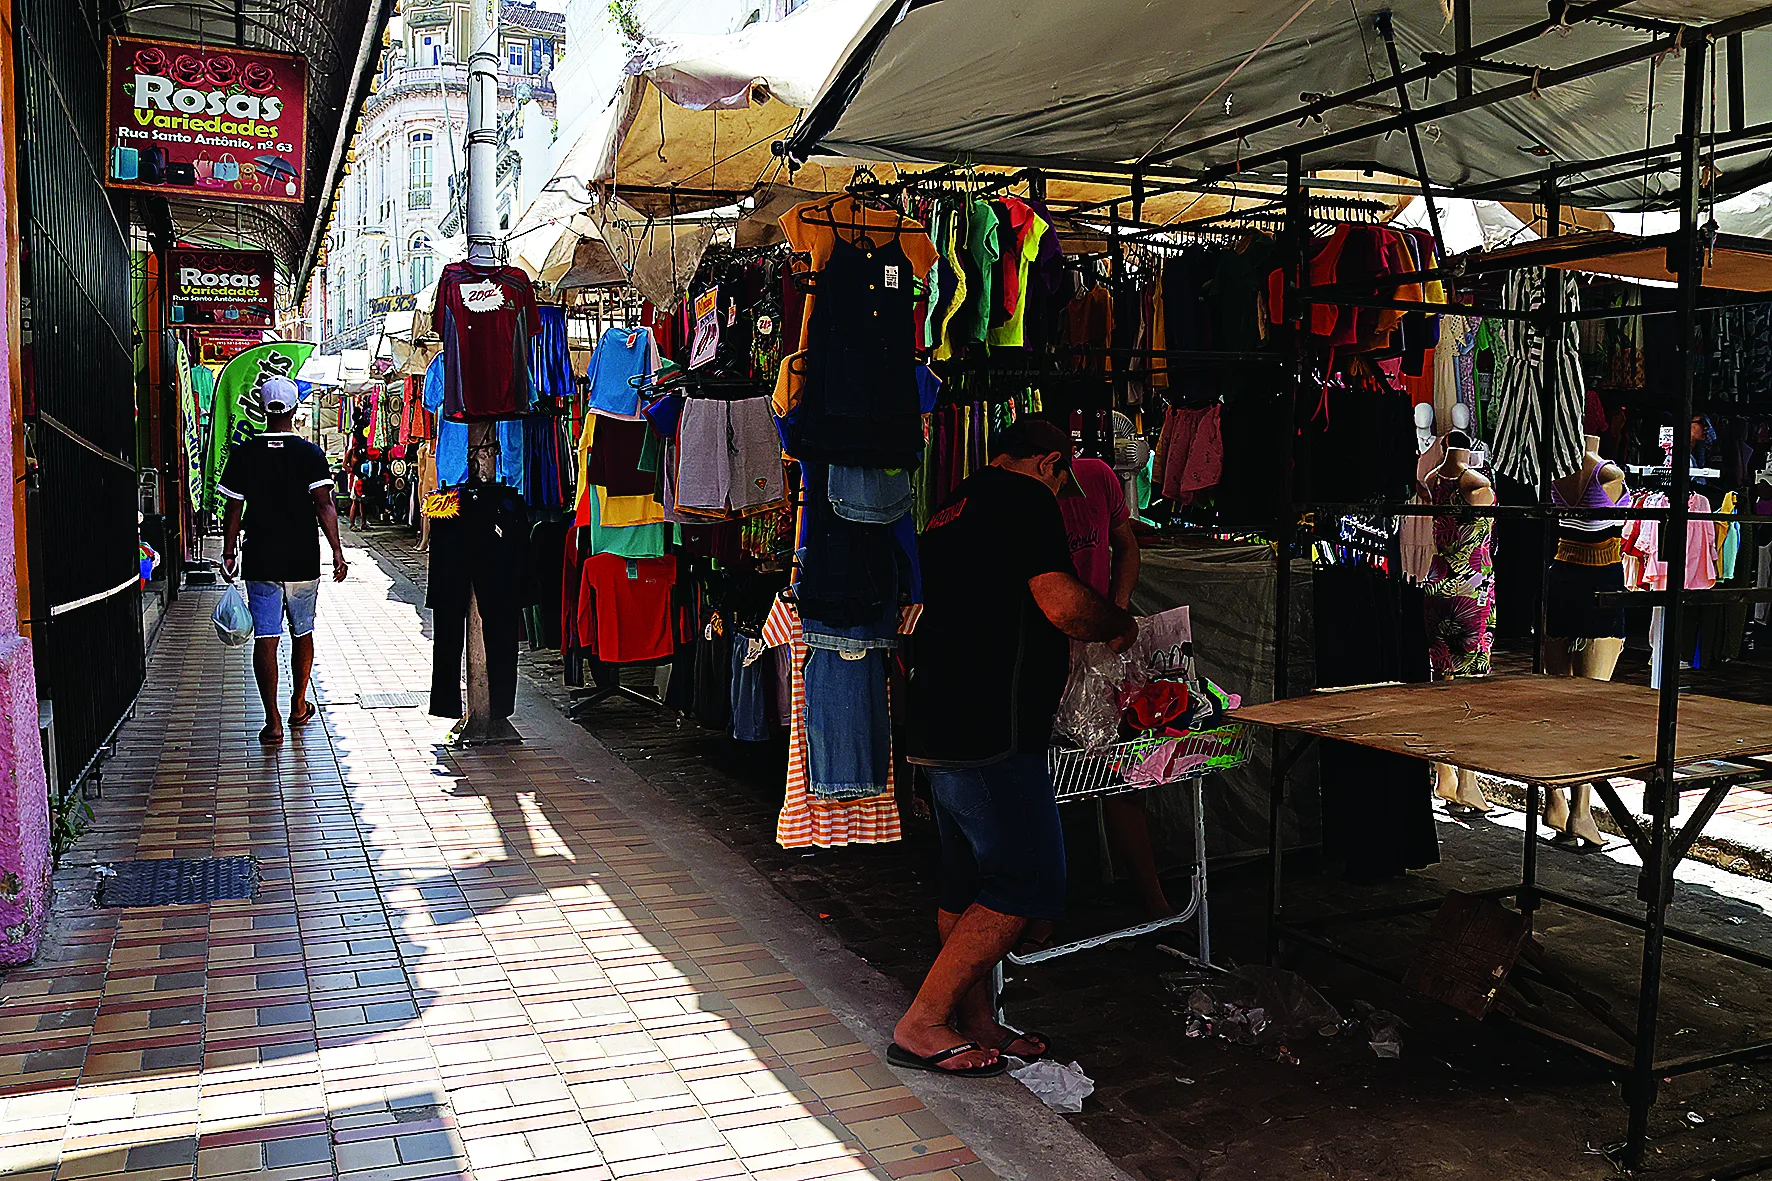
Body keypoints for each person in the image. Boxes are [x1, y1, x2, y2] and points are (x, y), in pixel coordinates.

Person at [895, 418, 1138, 1078]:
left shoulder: (952, 503)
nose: (1061, 495)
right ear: (1052, 463)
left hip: (937, 719)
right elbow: (1060, 603)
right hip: (992, 727)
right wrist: (1119, 620)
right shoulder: (1023, 498)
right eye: (1063, 482)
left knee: (964, 879)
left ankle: (974, 1019)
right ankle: (924, 1020)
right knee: (1029, 880)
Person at [1060, 455, 1173, 918]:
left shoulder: (1099, 477)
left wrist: (1118, 610)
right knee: (1055, 780)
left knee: (1122, 775)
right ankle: (1049, 912)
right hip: (1049, 655)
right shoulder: (1024, 496)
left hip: (1101, 652)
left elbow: (1126, 546)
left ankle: (1155, 904)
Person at [219, 378, 349, 745]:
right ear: (293, 410)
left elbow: (233, 507)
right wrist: (337, 551)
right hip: (302, 557)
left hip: (260, 556)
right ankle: (298, 703)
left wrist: (229, 552)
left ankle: (272, 721)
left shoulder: (243, 453)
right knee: (303, 630)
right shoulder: (310, 454)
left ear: (262, 409)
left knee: (267, 636)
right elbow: (325, 505)